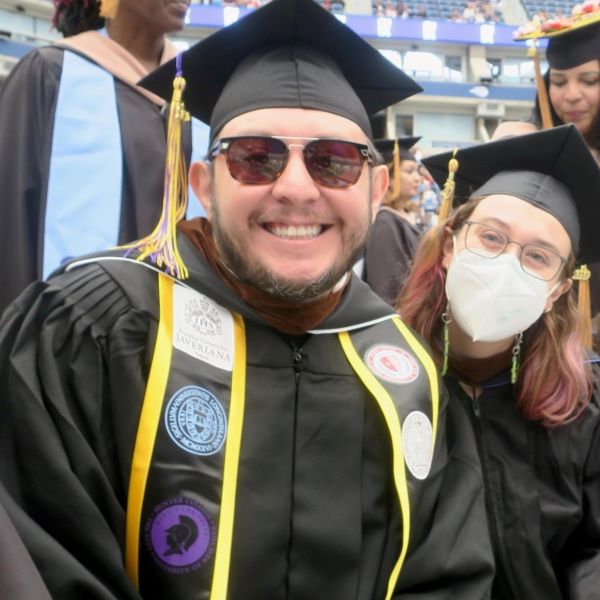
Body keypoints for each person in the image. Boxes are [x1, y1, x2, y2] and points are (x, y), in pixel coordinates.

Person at [0, 0, 495, 598]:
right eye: (254, 158)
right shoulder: (90, 328)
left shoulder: (408, 374)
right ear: (203, 185)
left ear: (375, 189)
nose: (294, 187)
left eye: (333, 163)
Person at [398, 124, 600, 599]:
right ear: (449, 246)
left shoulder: (584, 402)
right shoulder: (381, 377)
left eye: (537, 256)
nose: (507, 265)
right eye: (491, 238)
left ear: (556, 291)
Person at [0, 0, 209, 315]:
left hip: (181, 334)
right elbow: (11, 221)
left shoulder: (197, 89)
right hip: (71, 332)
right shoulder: (51, 73)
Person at [495, 6, 600, 346]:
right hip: (528, 330)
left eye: (590, 81)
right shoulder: (522, 143)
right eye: (558, 81)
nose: (570, 95)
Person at [362, 137, 423, 306]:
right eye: (409, 171)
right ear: (387, 178)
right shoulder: (384, 222)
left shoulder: (405, 215)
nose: (418, 178)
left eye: (418, 171)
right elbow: (385, 290)